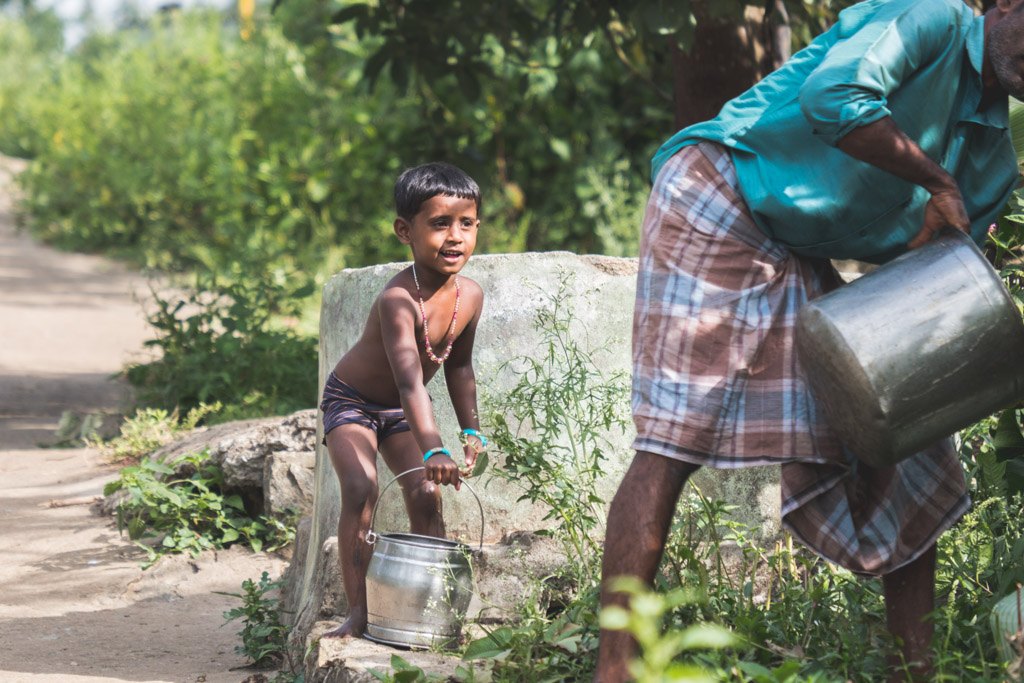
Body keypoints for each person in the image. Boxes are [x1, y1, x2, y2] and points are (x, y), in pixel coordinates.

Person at [595, 0, 1024, 680]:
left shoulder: (995, 165)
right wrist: (934, 180)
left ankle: (917, 672)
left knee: (915, 441)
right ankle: (612, 670)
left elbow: (944, 287)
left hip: (797, 240)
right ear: (1003, 5)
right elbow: (835, 95)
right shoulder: (933, 20)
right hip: (721, 188)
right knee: (676, 436)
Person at [320, 162, 487, 638]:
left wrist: (471, 432)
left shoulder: (470, 296)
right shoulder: (398, 300)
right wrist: (434, 447)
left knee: (426, 494)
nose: (455, 237)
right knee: (360, 487)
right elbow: (412, 382)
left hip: (397, 412)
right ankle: (359, 613)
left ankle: (427, 610)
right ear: (404, 231)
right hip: (352, 401)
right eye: (439, 224)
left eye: (467, 224)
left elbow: (458, 367)